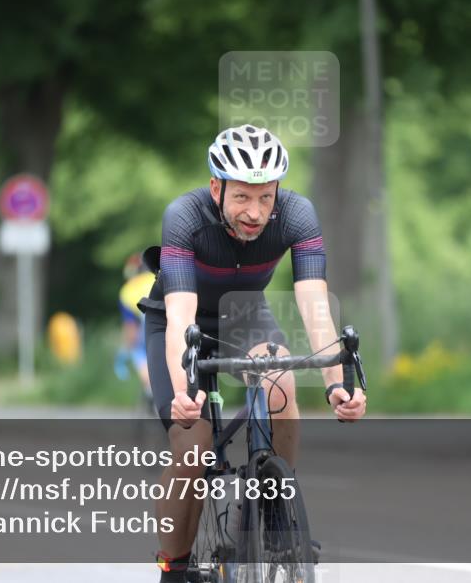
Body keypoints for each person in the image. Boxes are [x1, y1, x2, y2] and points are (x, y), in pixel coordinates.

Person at [138, 125, 368, 582]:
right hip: (178, 322)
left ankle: (275, 508)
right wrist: (185, 392)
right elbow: (181, 316)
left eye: (266, 197)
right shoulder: (184, 217)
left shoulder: (298, 214)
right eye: (242, 196)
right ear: (216, 188)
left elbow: (315, 306)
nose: (255, 212)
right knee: (193, 448)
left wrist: (336, 385)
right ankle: (174, 567)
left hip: (245, 314)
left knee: (280, 384)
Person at [115, 253, 155, 398]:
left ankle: (150, 390)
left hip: (145, 328)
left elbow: (131, 327)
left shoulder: (127, 291)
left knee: (139, 352)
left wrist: (126, 349)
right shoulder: (157, 279)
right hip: (168, 324)